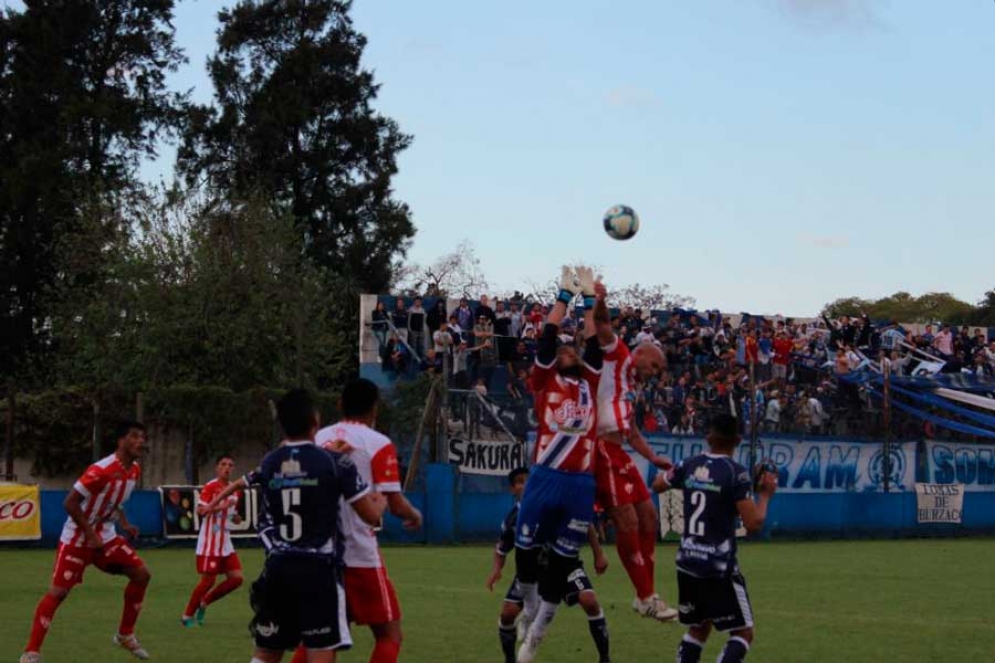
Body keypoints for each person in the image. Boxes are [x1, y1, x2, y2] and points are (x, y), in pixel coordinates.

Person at [242, 389, 386, 663]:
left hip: (278, 567)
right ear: (315, 421)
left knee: (267, 651)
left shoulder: (270, 462)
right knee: (320, 649)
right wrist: (381, 500)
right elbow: (370, 516)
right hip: (318, 570)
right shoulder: (334, 462)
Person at [287, 379, 423, 663]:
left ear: (340, 404)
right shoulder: (378, 443)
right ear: (375, 409)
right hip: (358, 554)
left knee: (320, 638)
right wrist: (414, 515)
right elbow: (394, 503)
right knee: (389, 635)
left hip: (318, 553)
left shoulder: (317, 438)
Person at [513, 266, 604, 663]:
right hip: (545, 476)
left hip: (581, 483)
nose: (569, 353)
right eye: (564, 352)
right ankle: (529, 607)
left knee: (563, 564)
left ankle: (536, 635)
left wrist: (591, 300)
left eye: (573, 351)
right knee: (525, 552)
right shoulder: (546, 380)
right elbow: (548, 336)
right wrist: (564, 297)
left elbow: (594, 340)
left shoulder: (590, 383)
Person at [579, 267, 678, 622]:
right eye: (654, 366)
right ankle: (645, 595)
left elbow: (632, 430)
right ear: (642, 353)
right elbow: (601, 325)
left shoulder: (632, 386)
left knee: (649, 515)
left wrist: (654, 457)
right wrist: (599, 298)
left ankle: (645, 593)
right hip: (600, 449)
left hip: (618, 451)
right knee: (628, 520)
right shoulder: (618, 354)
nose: (654, 373)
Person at [21, 422, 152, 663]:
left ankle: (125, 634)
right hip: (77, 538)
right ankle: (31, 652)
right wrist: (90, 534)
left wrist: (124, 523)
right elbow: (70, 503)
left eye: (143, 437)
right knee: (58, 593)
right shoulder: (101, 469)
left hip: (106, 536)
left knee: (142, 574)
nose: (140, 441)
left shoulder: (134, 470)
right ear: (121, 441)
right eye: (134, 436)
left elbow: (116, 501)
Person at [652, 414, 777, 663]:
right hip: (718, 567)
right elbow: (753, 523)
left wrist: (688, 480)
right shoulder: (736, 473)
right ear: (738, 440)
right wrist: (765, 495)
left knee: (699, 627)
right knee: (743, 633)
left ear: (708, 437)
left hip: (688, 561)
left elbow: (657, 485)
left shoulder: (688, 464)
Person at [487, 469, 613, 663]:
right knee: (507, 614)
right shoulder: (513, 519)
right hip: (533, 572)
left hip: (567, 565)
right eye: (520, 482)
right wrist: (496, 569)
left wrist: (599, 554)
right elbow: (501, 549)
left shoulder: (553, 500)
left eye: (529, 481)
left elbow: (584, 522)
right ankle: (511, 659)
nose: (526, 485)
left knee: (590, 601)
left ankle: (605, 658)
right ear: (512, 489)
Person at [182, 454, 245, 627]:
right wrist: (220, 506)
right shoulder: (210, 486)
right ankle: (187, 616)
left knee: (237, 579)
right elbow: (201, 511)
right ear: (217, 468)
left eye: (230, 465)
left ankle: (205, 602)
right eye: (223, 464)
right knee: (208, 581)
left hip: (225, 543)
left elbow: (232, 516)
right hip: (210, 541)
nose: (227, 468)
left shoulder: (235, 489)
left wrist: (236, 518)